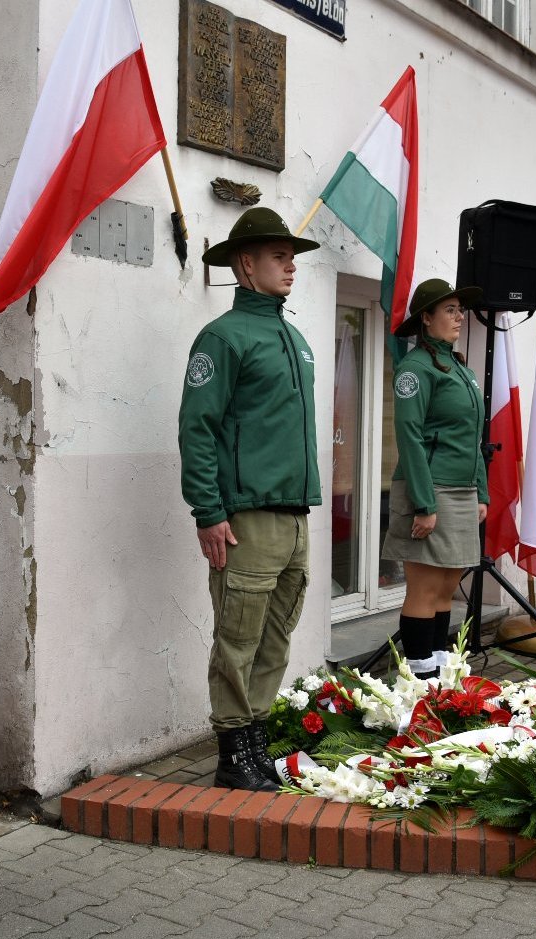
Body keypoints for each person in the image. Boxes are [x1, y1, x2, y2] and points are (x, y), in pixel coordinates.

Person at [177, 208, 322, 792]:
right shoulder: (222, 338)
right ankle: (233, 754)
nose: (291, 267)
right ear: (246, 264)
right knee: (238, 635)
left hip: (294, 516)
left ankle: (256, 740)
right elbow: (198, 428)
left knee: (276, 634)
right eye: (278, 257)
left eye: (291, 257)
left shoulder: (294, 336)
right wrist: (208, 512)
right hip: (246, 519)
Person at [381, 279, 488, 676]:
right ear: (425, 318)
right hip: (431, 490)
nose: (459, 317)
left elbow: (474, 434)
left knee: (446, 590)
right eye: (449, 310)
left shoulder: (459, 367)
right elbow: (408, 438)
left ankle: (441, 675)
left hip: (460, 492)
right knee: (425, 590)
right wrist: (424, 504)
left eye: (460, 309)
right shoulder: (415, 368)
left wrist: (482, 492)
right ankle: (418, 682)